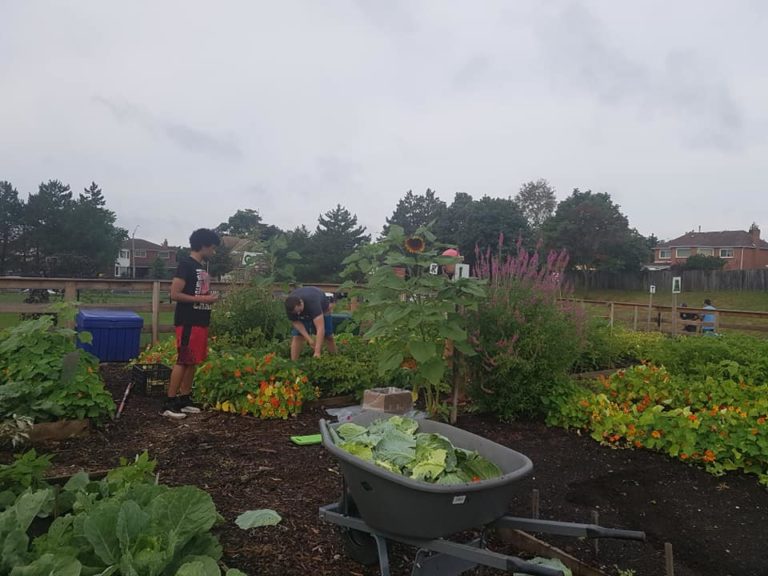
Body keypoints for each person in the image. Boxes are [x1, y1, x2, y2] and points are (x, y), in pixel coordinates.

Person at [163, 228, 220, 419]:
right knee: (183, 359)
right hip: (187, 321)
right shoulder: (185, 265)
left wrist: (207, 299)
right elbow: (174, 294)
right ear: (203, 246)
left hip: (200, 320)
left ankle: (184, 399)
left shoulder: (201, 267)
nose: (214, 251)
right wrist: (204, 300)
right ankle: (169, 403)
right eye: (212, 248)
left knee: (193, 361)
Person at [285, 286, 337, 360]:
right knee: (297, 336)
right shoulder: (289, 306)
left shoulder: (313, 303)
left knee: (328, 336)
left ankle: (335, 359)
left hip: (323, 307)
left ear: (301, 302)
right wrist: (309, 339)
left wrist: (317, 352)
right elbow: (296, 322)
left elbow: (320, 328)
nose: (299, 314)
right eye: (296, 313)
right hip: (309, 302)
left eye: (299, 310)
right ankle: (293, 363)